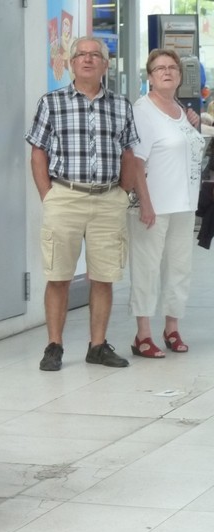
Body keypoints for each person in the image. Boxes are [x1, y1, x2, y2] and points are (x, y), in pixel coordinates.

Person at [25, 36, 139, 372]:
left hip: (108, 200)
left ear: (105, 65)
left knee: (104, 277)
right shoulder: (52, 103)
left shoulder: (121, 105)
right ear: (71, 63)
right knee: (58, 276)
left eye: (95, 55)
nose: (88, 60)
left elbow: (129, 153)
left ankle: (98, 346)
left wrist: (122, 194)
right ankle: (54, 346)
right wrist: (49, 195)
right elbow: (38, 152)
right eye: (81, 55)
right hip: (65, 196)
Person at [127, 49, 205, 358]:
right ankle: (143, 334)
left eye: (172, 67)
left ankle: (172, 327)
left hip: (183, 204)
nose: (167, 72)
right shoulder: (143, 111)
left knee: (179, 268)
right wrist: (146, 203)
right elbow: (135, 161)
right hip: (153, 206)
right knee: (146, 269)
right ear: (150, 76)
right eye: (159, 68)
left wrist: (193, 124)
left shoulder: (180, 109)